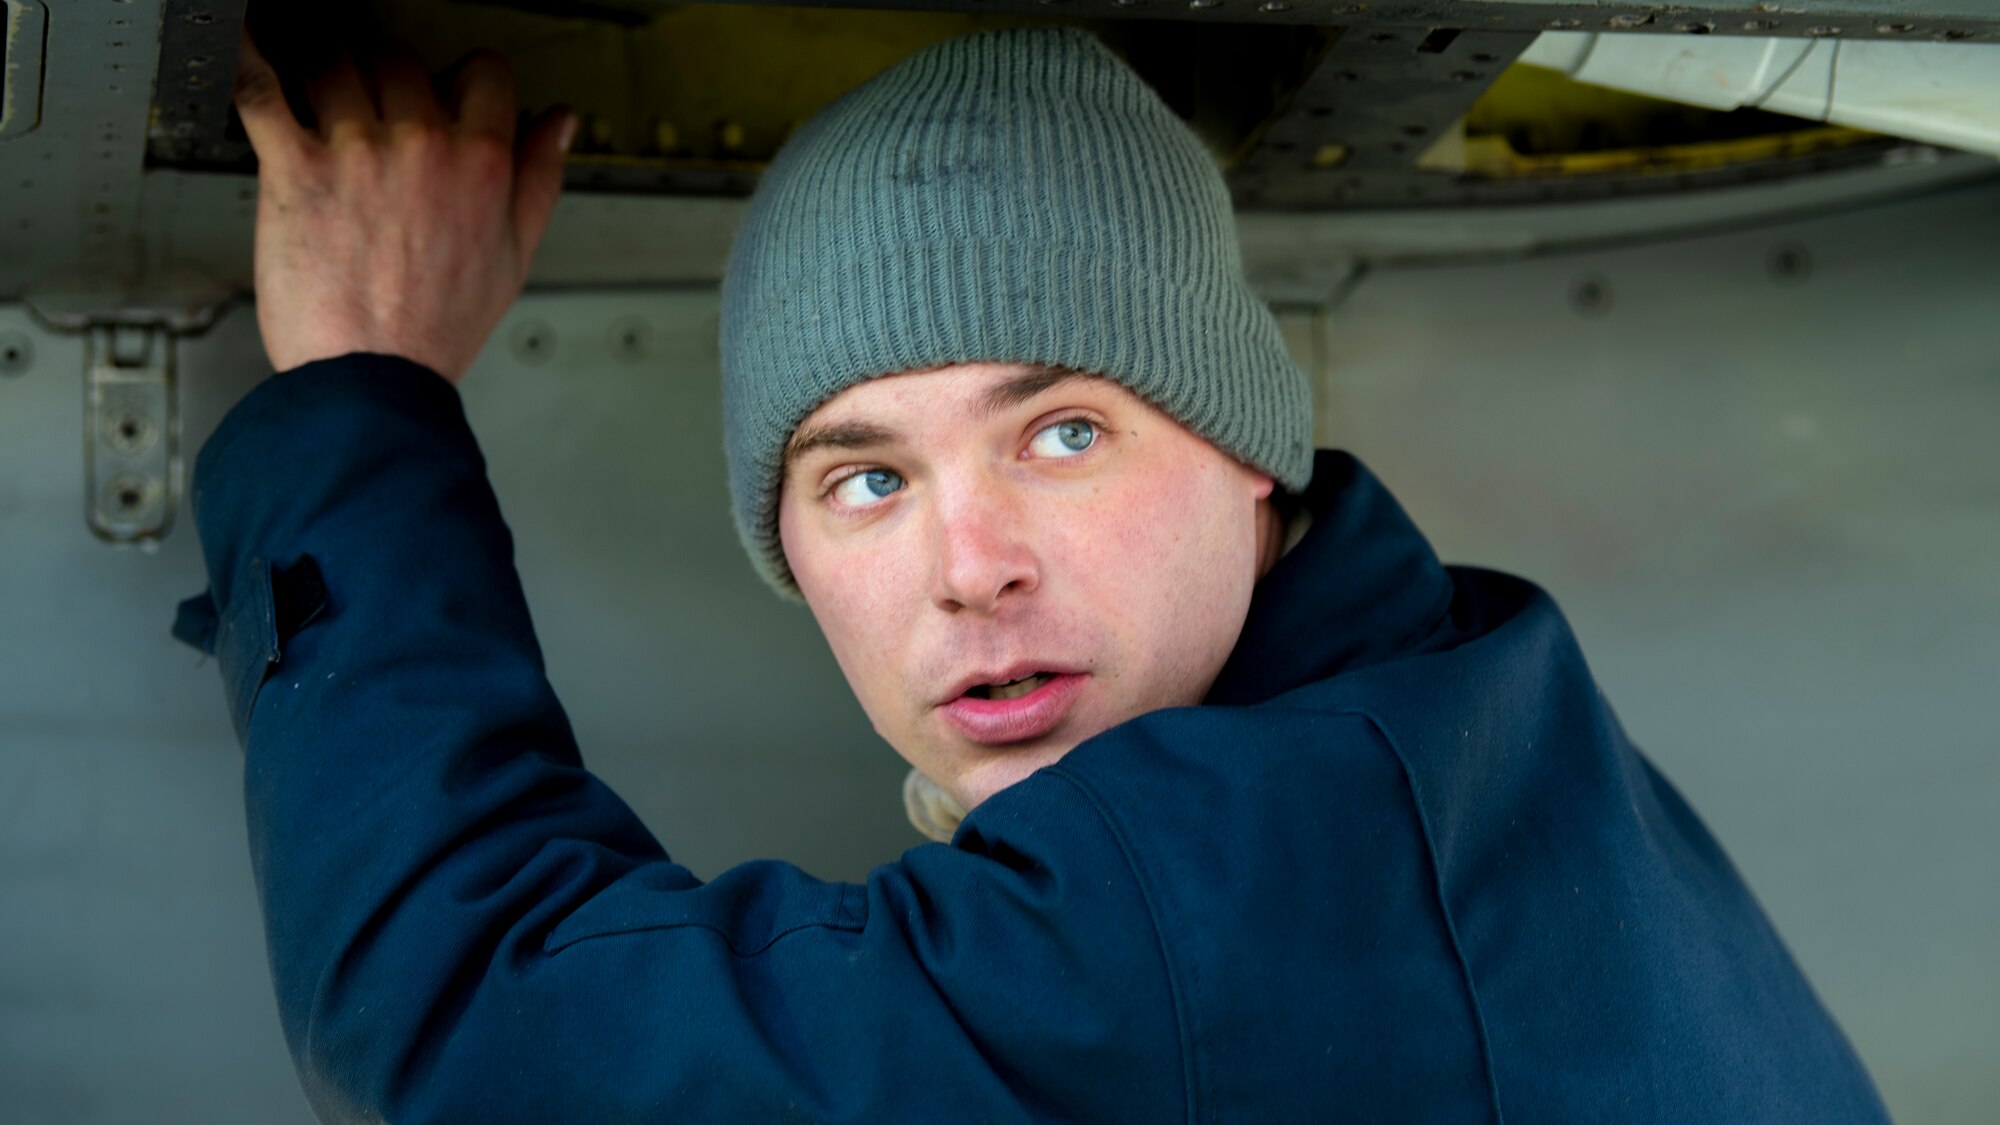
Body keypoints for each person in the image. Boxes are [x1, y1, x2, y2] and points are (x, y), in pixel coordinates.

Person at [173, 24, 1891, 1123]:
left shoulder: (1211, 885)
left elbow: (474, 1024)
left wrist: (357, 395)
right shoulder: (1479, 705)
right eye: (862, 476)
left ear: (1246, 441)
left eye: (1063, 431)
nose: (968, 567)